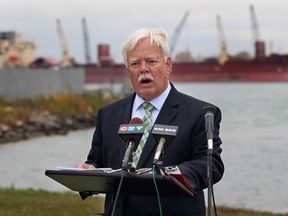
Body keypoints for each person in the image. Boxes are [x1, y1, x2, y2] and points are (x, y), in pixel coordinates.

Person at [76, 27, 224, 216]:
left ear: (168, 65)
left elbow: (212, 165)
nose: (143, 69)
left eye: (151, 61)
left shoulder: (199, 113)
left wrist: (174, 175)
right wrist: (89, 170)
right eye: (135, 63)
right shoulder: (108, 114)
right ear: (128, 69)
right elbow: (97, 162)